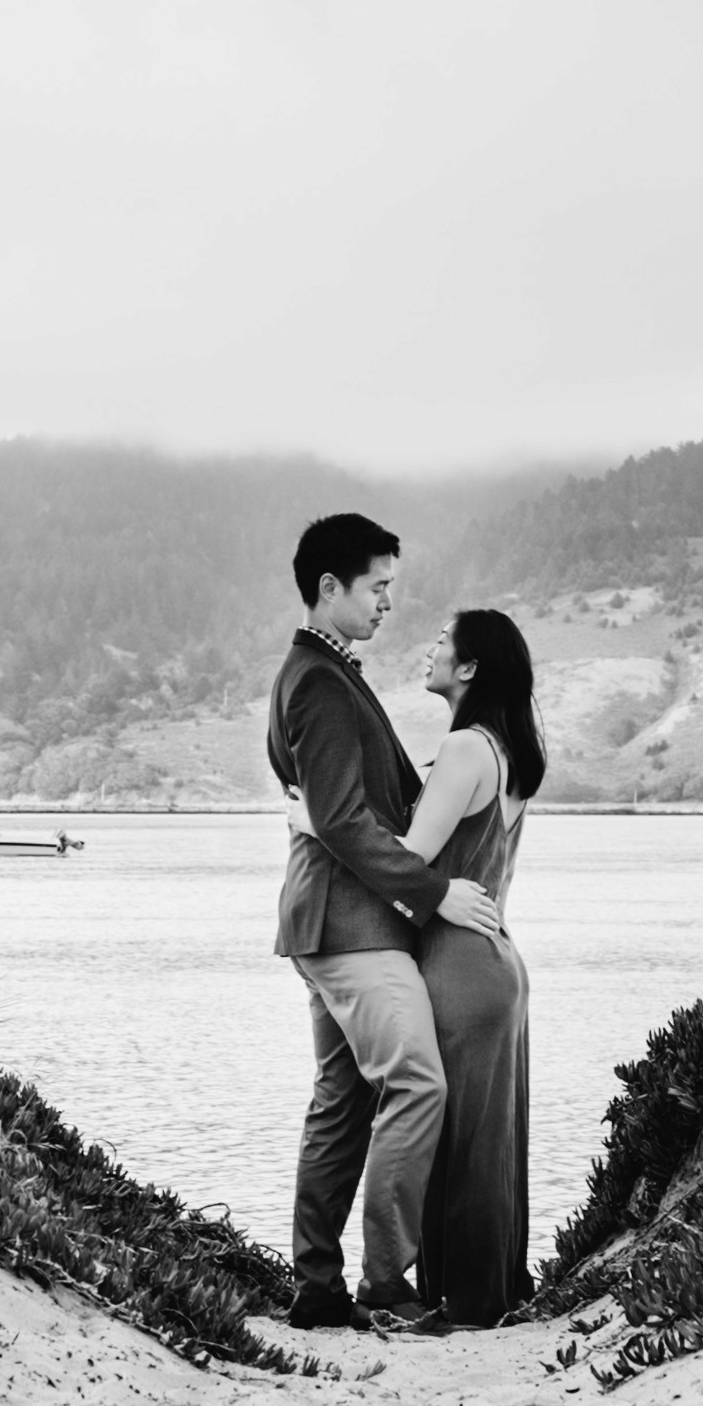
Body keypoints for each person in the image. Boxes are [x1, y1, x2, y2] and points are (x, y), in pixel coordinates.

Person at [266, 513, 499, 1330]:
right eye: (377, 587)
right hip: (352, 927)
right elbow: (340, 819)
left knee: (343, 1101)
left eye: (391, 589)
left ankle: (316, 1289)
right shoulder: (322, 683)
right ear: (329, 588)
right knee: (416, 1082)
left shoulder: (321, 672)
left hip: (326, 923)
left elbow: (343, 807)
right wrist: (434, 893)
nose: (388, 604)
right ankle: (383, 1284)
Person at [405, 609, 541, 1327]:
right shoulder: (507, 751)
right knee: (488, 1140)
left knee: (454, 1141)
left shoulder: (464, 749)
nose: (428, 648)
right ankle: (487, 1292)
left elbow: (406, 862)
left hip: (458, 967)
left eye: (440, 641)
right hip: (497, 964)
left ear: (467, 668)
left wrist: (313, 826)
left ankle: (465, 1306)